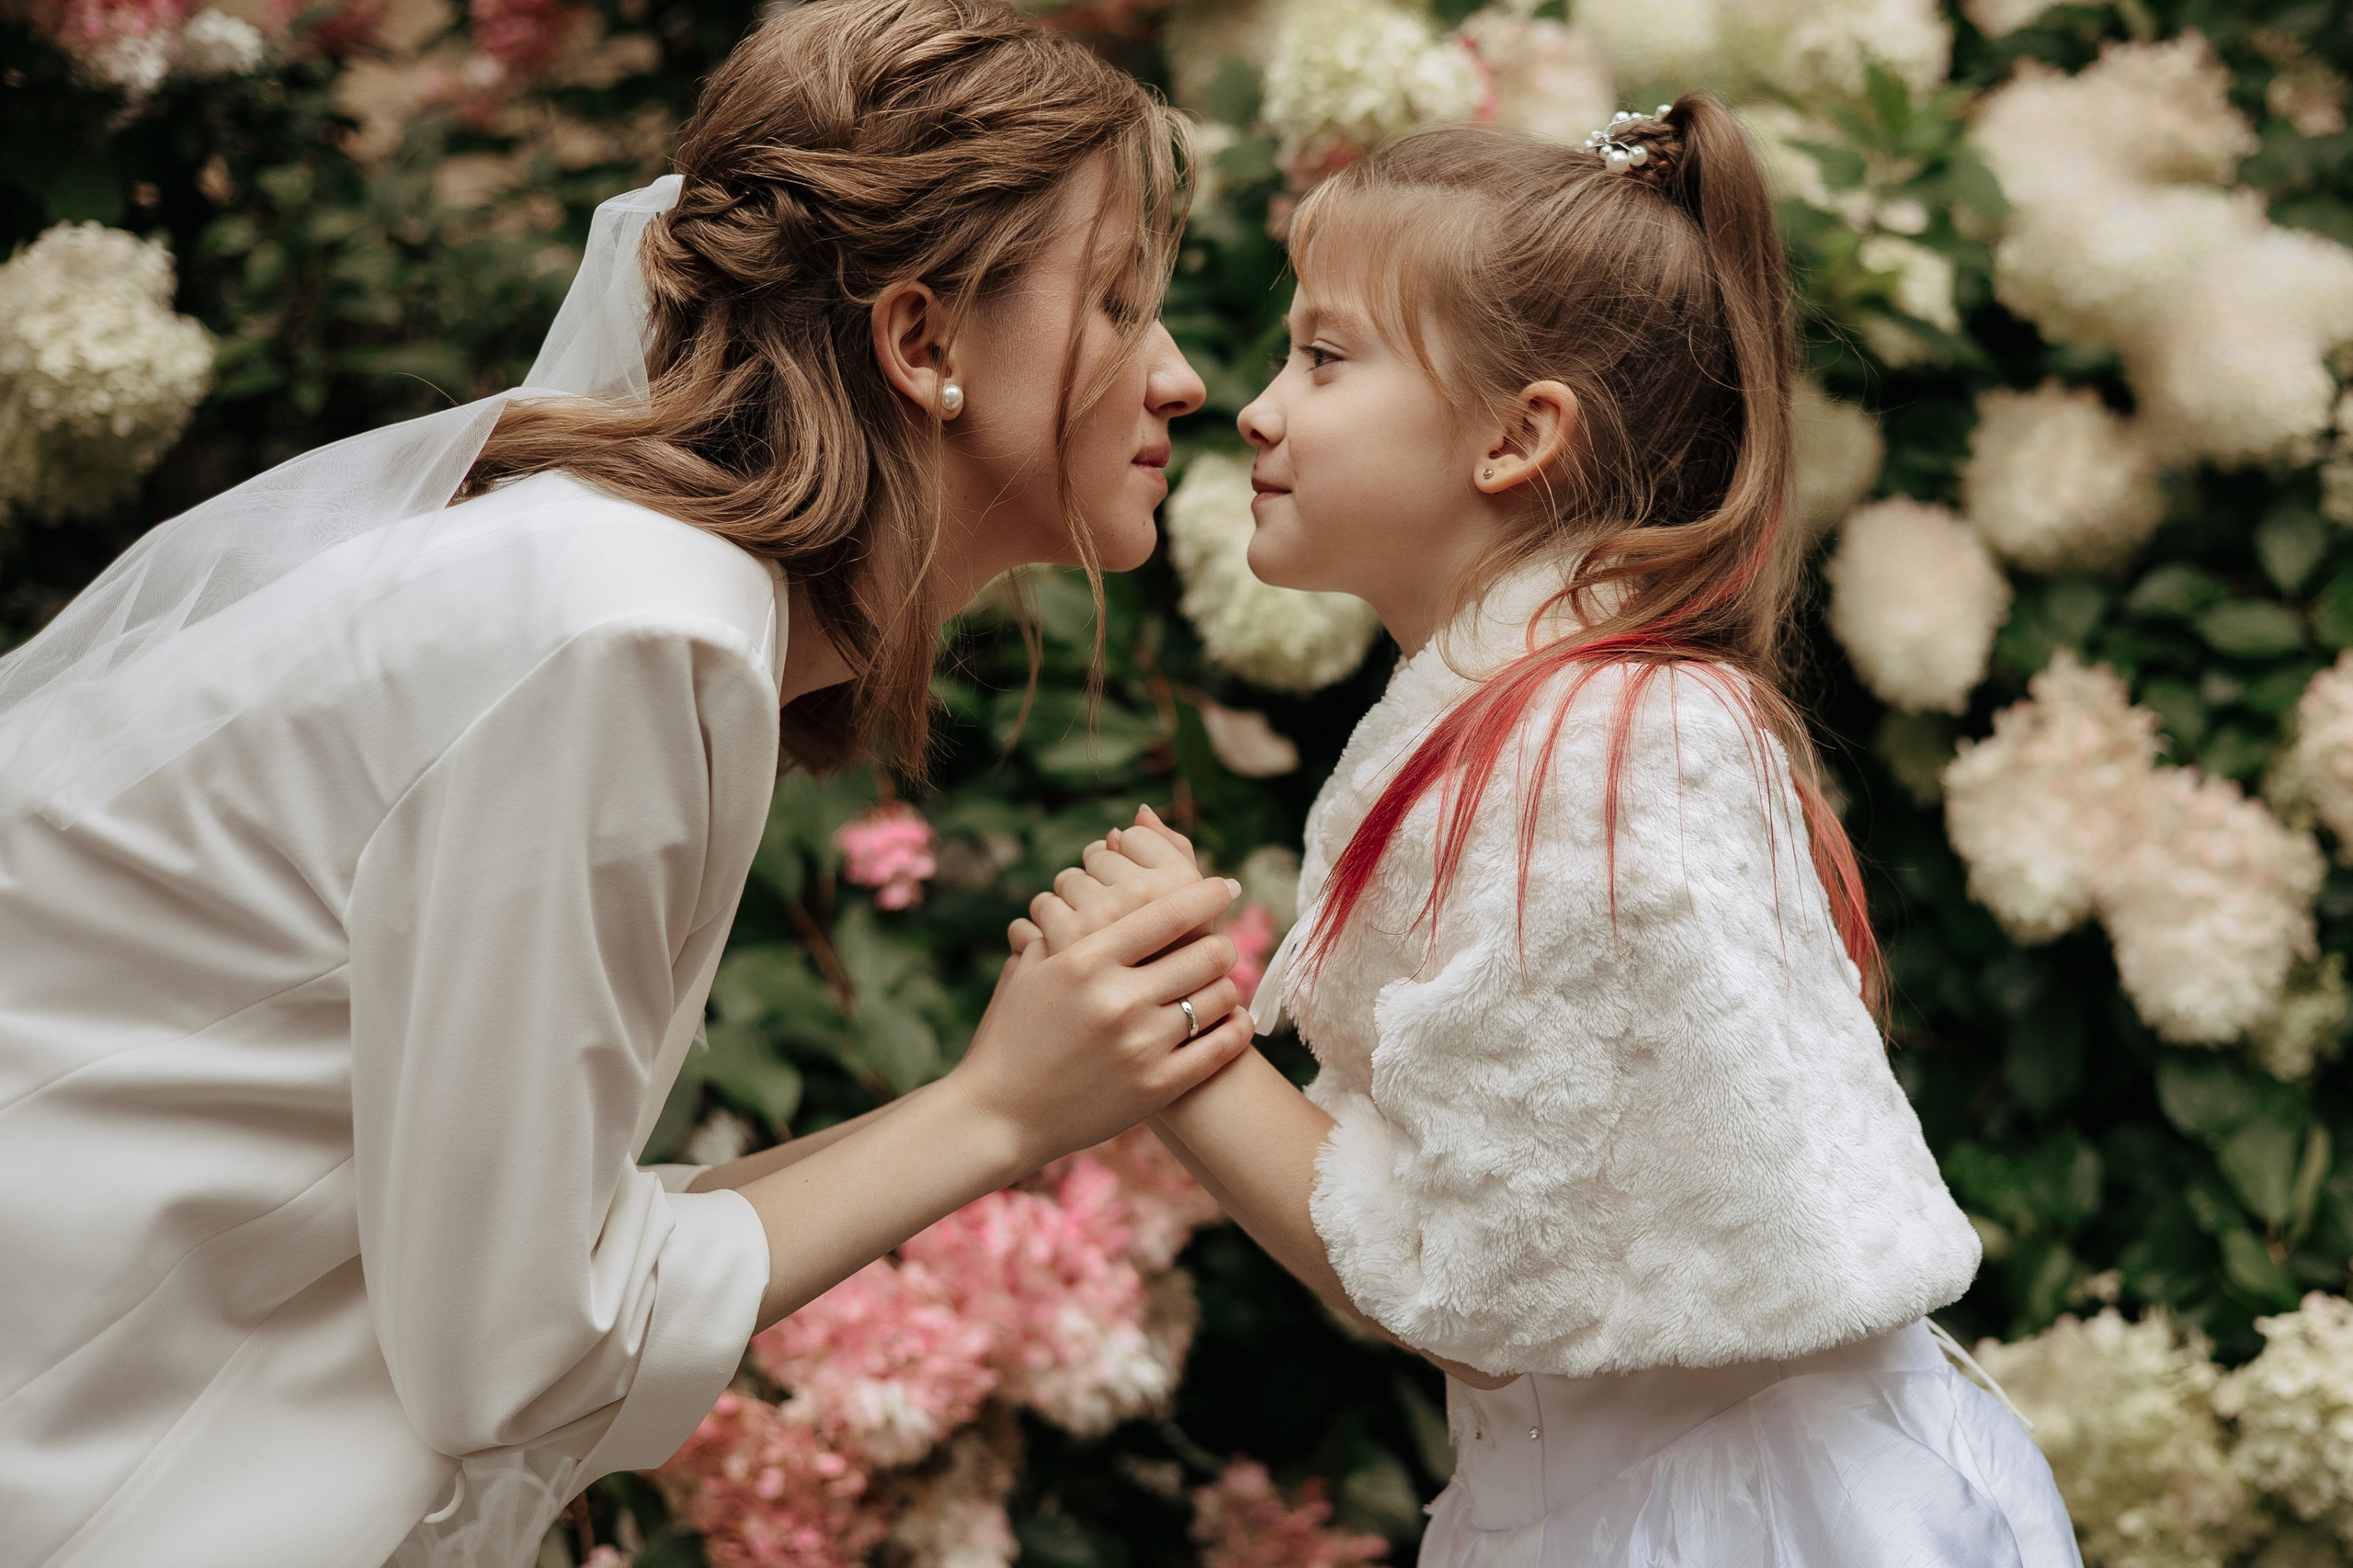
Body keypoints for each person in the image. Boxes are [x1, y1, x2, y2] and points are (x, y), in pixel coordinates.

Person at [0, 4, 1254, 1564]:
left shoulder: (638, 595)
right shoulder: (628, 628)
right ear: (922, 341)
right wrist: (999, 1110)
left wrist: (1007, 1102)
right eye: (1122, 304)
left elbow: (555, 1256)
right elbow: (513, 1355)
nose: (1186, 377)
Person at [1022, 104, 2084, 1565]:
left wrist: (1170, 1014)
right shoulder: (1546, 721)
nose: (1257, 406)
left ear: (1520, 436)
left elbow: (1457, 1271)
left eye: (1325, 358)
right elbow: (1432, 1220)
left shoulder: (1606, 745)